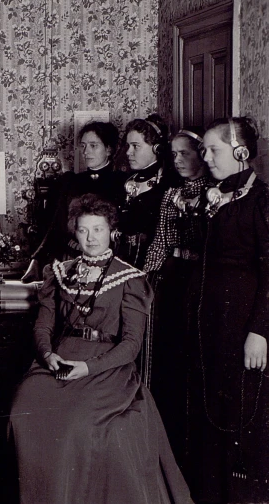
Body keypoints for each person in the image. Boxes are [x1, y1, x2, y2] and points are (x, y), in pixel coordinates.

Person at [9, 193, 192, 504]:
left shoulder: (129, 277)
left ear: (111, 231)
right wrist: (48, 354)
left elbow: (132, 344)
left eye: (98, 229)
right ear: (74, 232)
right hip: (58, 359)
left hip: (107, 367)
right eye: (83, 230)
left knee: (74, 423)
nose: (90, 238)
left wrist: (89, 368)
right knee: (22, 410)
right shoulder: (59, 272)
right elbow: (43, 326)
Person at [186, 117, 269, 503]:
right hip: (212, 325)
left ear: (241, 152)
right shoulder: (215, 197)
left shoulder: (262, 201)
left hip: (245, 329)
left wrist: (261, 332)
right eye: (202, 149)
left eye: (212, 149)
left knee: (243, 419)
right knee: (211, 418)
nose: (205, 157)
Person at [142, 128, 210, 466]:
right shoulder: (171, 194)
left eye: (186, 153)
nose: (179, 160)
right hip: (172, 276)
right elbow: (159, 242)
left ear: (202, 155)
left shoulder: (213, 194)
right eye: (175, 154)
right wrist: (146, 282)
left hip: (199, 280)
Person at [22, 121, 126, 282]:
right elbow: (56, 227)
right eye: (83, 146)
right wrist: (36, 259)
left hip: (108, 261)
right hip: (71, 258)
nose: (86, 152)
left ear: (109, 149)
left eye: (93, 146)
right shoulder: (70, 182)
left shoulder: (121, 183)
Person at [118, 113, 171, 268]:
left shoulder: (167, 184)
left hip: (153, 262)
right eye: (128, 146)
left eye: (136, 146)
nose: (128, 152)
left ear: (157, 148)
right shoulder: (126, 180)